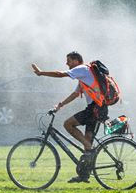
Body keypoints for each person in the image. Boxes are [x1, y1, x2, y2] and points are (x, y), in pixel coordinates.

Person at [31, 51, 109, 184]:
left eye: (69, 61)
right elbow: (75, 94)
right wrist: (60, 105)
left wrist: (41, 72)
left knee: (68, 124)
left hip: (95, 108)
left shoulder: (82, 69)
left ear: (76, 61)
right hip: (99, 108)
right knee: (87, 145)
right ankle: (84, 176)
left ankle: (90, 148)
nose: (67, 63)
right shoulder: (85, 75)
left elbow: (59, 74)